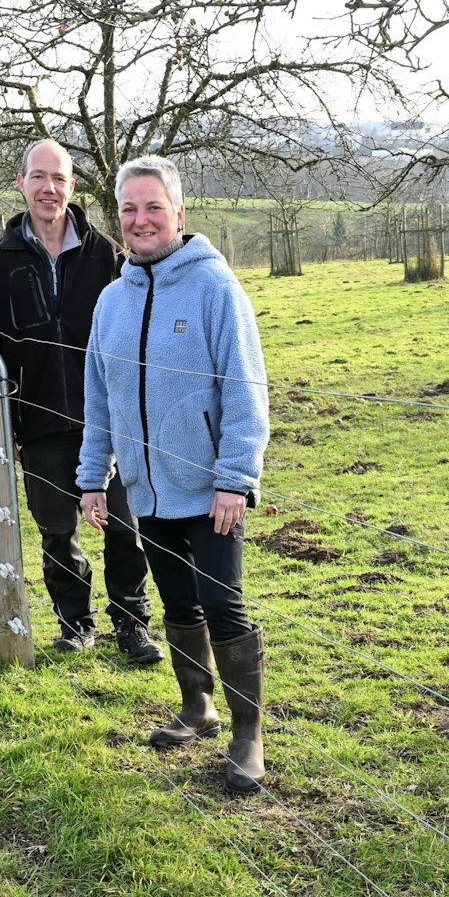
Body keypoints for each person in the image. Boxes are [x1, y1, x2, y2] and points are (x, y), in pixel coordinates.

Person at [77, 155, 272, 794]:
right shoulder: (111, 301)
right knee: (177, 600)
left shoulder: (215, 289)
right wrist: (91, 477)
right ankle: (197, 707)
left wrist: (234, 477)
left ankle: (248, 735)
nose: (140, 220)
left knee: (223, 604)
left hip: (211, 490)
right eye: (129, 209)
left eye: (153, 207)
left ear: (178, 214)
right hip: (145, 488)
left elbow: (246, 389)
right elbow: (99, 398)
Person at [0, 140, 161, 662]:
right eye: (38, 177)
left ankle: (132, 623)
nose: (48, 188)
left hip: (109, 418)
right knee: (58, 531)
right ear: (21, 183)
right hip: (38, 419)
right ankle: (75, 623)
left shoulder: (105, 252)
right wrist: (4, 426)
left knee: (127, 525)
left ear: (72, 186)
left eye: (58, 178)